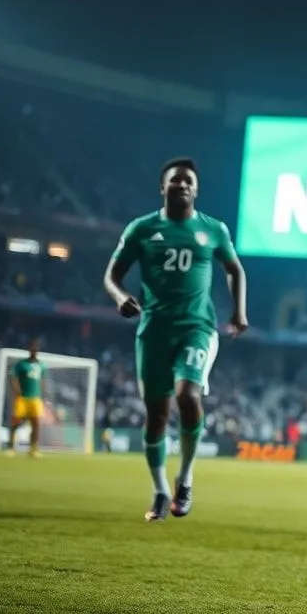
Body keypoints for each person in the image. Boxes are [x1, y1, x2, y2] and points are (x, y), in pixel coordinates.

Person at [103, 157, 249, 522]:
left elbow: (235, 269)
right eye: (175, 181)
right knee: (156, 416)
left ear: (196, 189)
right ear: (162, 188)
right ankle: (159, 491)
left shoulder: (213, 229)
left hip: (197, 327)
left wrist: (239, 312)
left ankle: (185, 478)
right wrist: (121, 298)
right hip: (153, 331)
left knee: (187, 395)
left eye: (188, 181)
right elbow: (111, 276)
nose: (182, 185)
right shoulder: (141, 229)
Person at [6, 338, 46, 457]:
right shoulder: (22, 364)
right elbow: (12, 376)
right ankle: (11, 447)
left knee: (36, 424)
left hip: (35, 398)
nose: (34, 350)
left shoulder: (42, 366)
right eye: (32, 348)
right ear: (29, 349)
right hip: (22, 397)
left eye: (36, 348)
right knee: (16, 422)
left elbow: (42, 381)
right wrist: (17, 390)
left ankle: (33, 449)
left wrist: (41, 393)